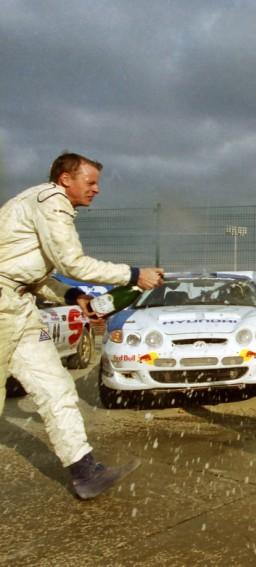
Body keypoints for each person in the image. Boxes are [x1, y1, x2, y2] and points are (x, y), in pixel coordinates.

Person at [0, 152, 164, 499]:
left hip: (21, 309)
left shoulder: (41, 204)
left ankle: (85, 472)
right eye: (90, 182)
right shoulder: (52, 202)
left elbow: (26, 273)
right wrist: (134, 275)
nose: (97, 189)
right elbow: (72, 261)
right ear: (65, 179)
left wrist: (72, 294)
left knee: (57, 387)